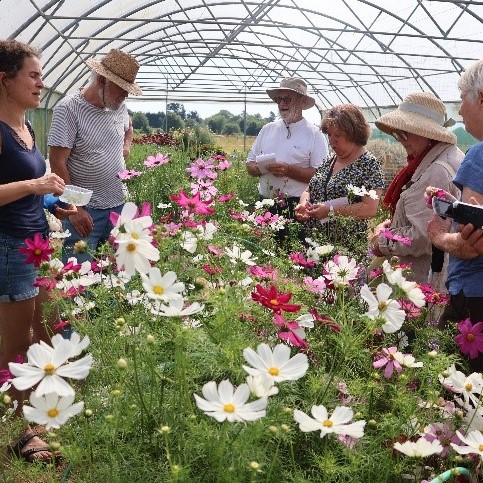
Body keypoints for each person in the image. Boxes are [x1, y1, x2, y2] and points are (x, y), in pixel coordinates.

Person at [0, 39, 74, 462]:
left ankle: (42, 408)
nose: (41, 83)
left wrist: (51, 202)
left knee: (48, 327)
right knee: (16, 342)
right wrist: (35, 186)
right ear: (5, 80)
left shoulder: (26, 128)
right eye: (33, 75)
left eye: (42, 75)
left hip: (37, 241)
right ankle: (18, 431)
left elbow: (33, 190)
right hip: (8, 245)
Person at [48, 49, 141, 263]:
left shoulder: (119, 107)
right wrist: (75, 207)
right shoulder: (69, 109)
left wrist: (125, 148)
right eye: (122, 89)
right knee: (80, 278)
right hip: (86, 211)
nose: (126, 95)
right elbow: (57, 162)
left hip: (119, 204)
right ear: (102, 80)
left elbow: (129, 129)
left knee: (117, 276)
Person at [369, 92, 464, 291]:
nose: (399, 139)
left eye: (405, 132)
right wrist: (396, 223)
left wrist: (383, 241)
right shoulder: (447, 155)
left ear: (427, 132)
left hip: (422, 280)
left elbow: (421, 236)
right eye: (397, 132)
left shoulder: (436, 170)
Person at [427, 59, 483, 371]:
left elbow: (471, 245)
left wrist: (438, 235)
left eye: (463, 99)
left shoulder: (479, 155)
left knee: (456, 396)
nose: (460, 111)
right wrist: (454, 205)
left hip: (474, 300)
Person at [295, 104, 384, 251]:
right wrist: (304, 205)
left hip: (345, 248)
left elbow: (370, 208)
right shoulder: (329, 160)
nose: (332, 140)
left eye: (337, 135)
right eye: (329, 134)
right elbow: (309, 189)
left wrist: (330, 210)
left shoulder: (368, 164)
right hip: (314, 243)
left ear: (353, 134)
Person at [245, 77, 328, 232]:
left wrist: (288, 170)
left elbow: (320, 176)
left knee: (292, 252)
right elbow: (249, 165)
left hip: (296, 207)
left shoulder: (315, 134)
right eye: (279, 99)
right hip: (265, 204)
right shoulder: (267, 129)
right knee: (265, 252)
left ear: (302, 102)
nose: (282, 103)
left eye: (288, 99)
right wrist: (263, 168)